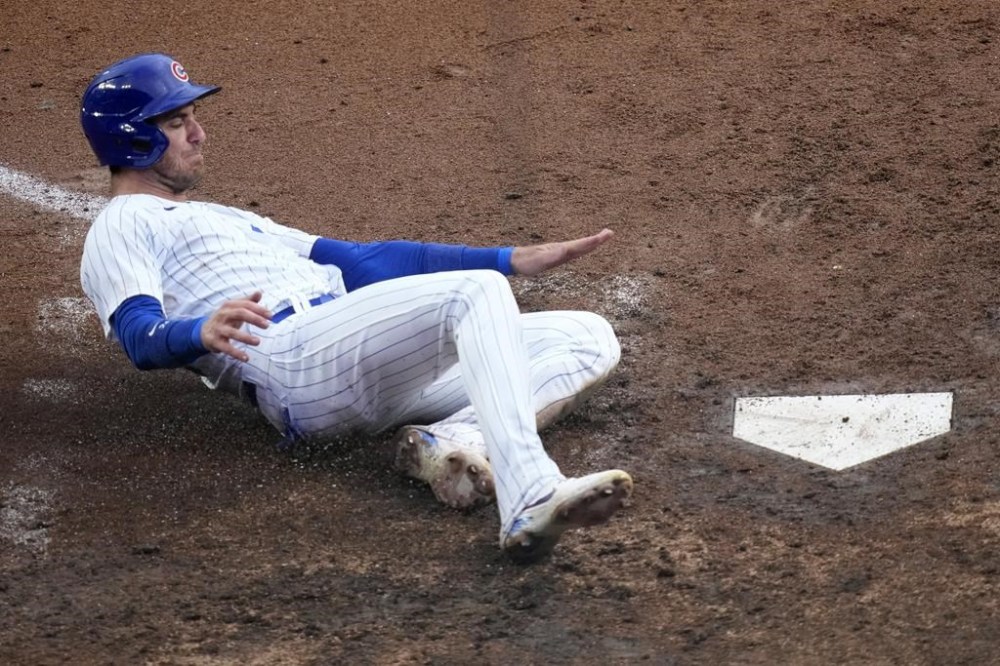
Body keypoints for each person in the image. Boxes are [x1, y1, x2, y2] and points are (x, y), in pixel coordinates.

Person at [78, 53, 633, 563]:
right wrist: (197, 332)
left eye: (192, 117)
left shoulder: (221, 216)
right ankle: (530, 493)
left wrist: (511, 258)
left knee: (586, 334)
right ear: (131, 140)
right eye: (177, 123)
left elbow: (360, 262)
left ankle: (456, 443)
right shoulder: (122, 224)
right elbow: (137, 333)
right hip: (296, 361)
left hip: (362, 359)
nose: (199, 134)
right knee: (475, 293)